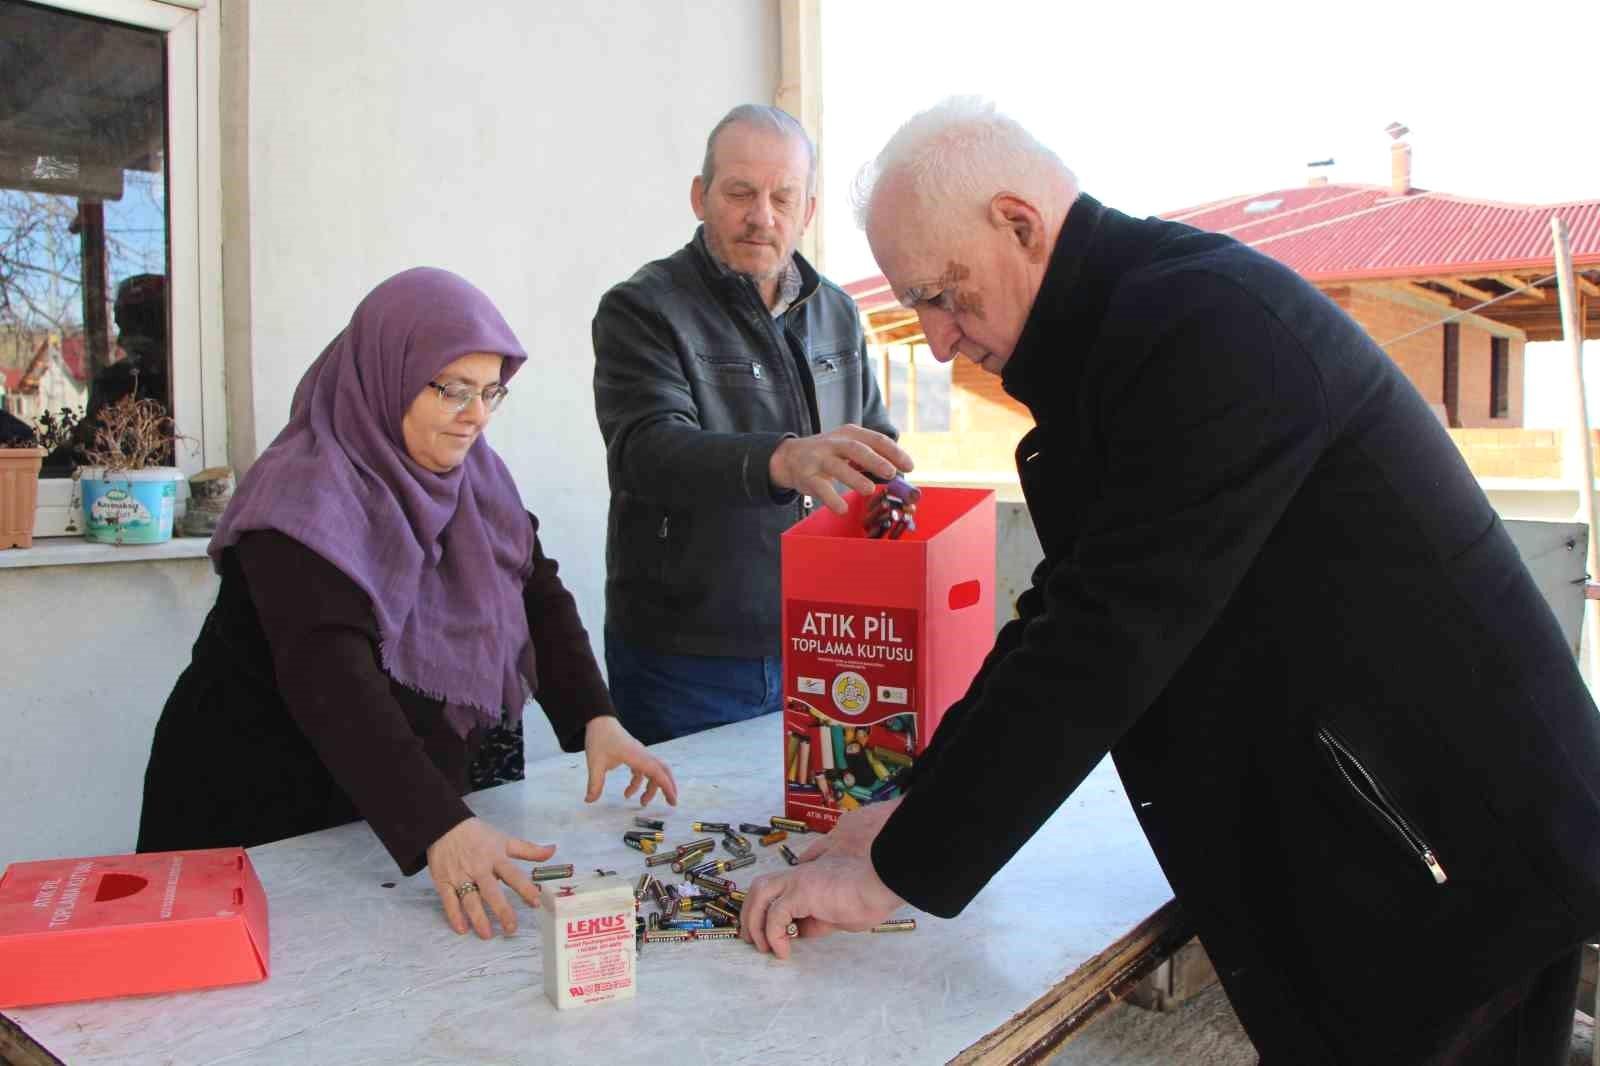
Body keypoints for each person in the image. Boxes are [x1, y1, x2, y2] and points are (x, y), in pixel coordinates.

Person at [740, 99, 1600, 1066]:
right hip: (1385, 842)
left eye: (947, 296)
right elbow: (1063, 611)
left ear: (1021, 225)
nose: (938, 342)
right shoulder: (1128, 338)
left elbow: (1105, 639)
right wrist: (908, 809)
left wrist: (893, 875)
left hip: (1448, 859)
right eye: (918, 309)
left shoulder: (1204, 331)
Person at [138, 268, 676, 940]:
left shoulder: (474, 479)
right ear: (385, 374)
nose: (476, 415)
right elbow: (329, 678)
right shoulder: (302, 500)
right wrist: (438, 824)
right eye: (452, 389)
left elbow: (534, 587)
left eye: (490, 392)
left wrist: (596, 718)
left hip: (379, 812)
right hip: (257, 811)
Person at [592, 104, 909, 746]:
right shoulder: (643, 308)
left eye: (782, 197)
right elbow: (647, 451)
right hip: (686, 659)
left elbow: (875, 444)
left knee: (813, 834)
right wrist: (782, 460)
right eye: (740, 192)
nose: (762, 216)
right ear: (699, 196)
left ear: (808, 211)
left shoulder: (838, 313)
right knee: (683, 845)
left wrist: (895, 497)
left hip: (827, 640)